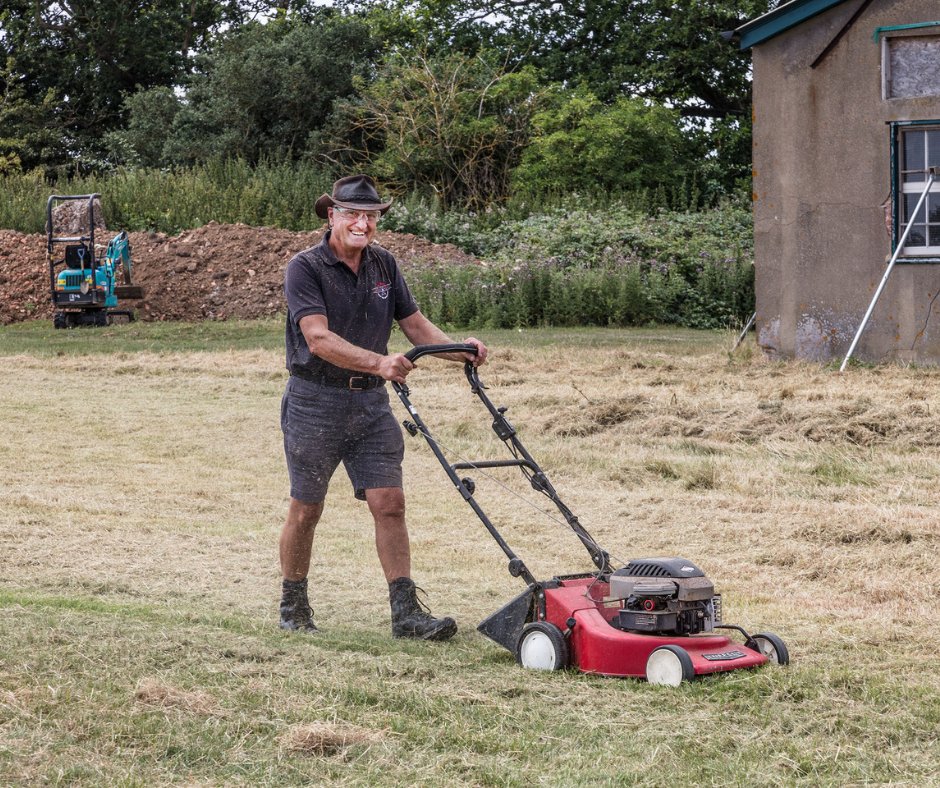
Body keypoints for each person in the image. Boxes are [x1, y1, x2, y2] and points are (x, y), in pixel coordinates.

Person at [278, 174, 488, 641]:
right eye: (353, 214)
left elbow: (415, 326)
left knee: (390, 503)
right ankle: (293, 604)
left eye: (370, 215)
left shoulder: (384, 265)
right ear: (331, 215)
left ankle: (406, 614)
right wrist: (379, 362)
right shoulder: (305, 267)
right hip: (315, 402)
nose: (362, 223)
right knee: (307, 508)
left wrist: (461, 351)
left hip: (371, 405)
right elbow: (317, 339)